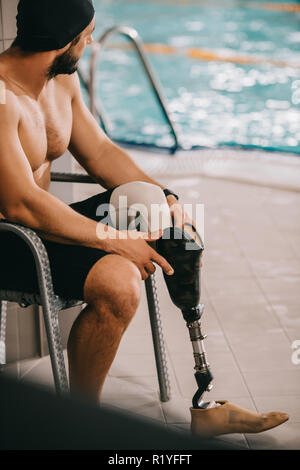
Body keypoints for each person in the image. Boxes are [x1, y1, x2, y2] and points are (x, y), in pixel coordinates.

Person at [0, 0, 288, 437]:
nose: (91, 41)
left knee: (166, 228)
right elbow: (21, 203)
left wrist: (166, 198)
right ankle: (80, 424)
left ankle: (204, 399)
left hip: (46, 226)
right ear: (64, 40)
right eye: (87, 34)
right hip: (12, 241)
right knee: (119, 279)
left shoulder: (59, 81)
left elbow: (99, 153)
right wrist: (112, 239)